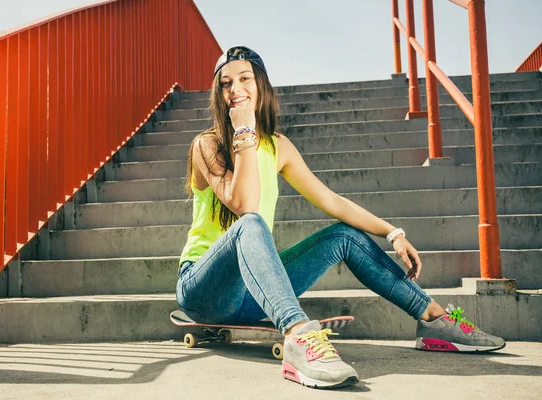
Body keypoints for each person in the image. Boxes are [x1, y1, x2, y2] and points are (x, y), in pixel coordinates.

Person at [175, 46, 505, 389]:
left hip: (254, 295)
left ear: (261, 87)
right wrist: (243, 131)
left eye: (244, 79)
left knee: (344, 235)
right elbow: (245, 206)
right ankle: (298, 337)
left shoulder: (277, 147)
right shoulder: (206, 146)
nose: (234, 89)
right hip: (204, 291)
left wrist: (393, 233)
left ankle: (433, 320)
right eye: (226, 83)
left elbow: (333, 201)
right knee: (251, 224)